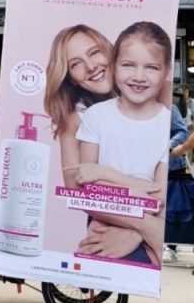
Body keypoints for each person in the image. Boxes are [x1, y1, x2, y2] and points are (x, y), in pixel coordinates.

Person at [72, 21, 172, 264]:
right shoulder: (96, 115)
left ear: (167, 70)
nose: (139, 77)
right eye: (128, 65)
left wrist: (105, 173)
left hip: (145, 232)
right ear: (114, 66)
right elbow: (87, 186)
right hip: (104, 224)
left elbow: (160, 196)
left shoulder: (168, 123)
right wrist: (143, 223)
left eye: (151, 67)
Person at [42, 25, 115, 189]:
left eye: (94, 52)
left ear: (110, 51)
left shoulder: (150, 93)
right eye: (76, 64)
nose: (90, 66)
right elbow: (74, 188)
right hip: (106, 213)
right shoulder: (75, 119)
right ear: (71, 79)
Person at [164, 104, 194, 264]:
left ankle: (172, 247)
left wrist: (169, 147)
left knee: (176, 209)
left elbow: (183, 132)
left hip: (172, 165)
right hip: (146, 168)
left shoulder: (169, 108)